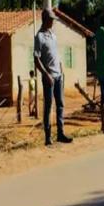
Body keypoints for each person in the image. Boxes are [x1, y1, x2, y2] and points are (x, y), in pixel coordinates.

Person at [33, 9, 73, 145]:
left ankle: (60, 134)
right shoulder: (39, 37)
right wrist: (46, 74)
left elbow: (55, 54)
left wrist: (60, 69)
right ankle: (48, 137)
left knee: (60, 104)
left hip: (58, 76)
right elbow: (36, 59)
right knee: (49, 106)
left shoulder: (53, 35)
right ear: (45, 20)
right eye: (51, 20)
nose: (53, 22)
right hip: (48, 77)